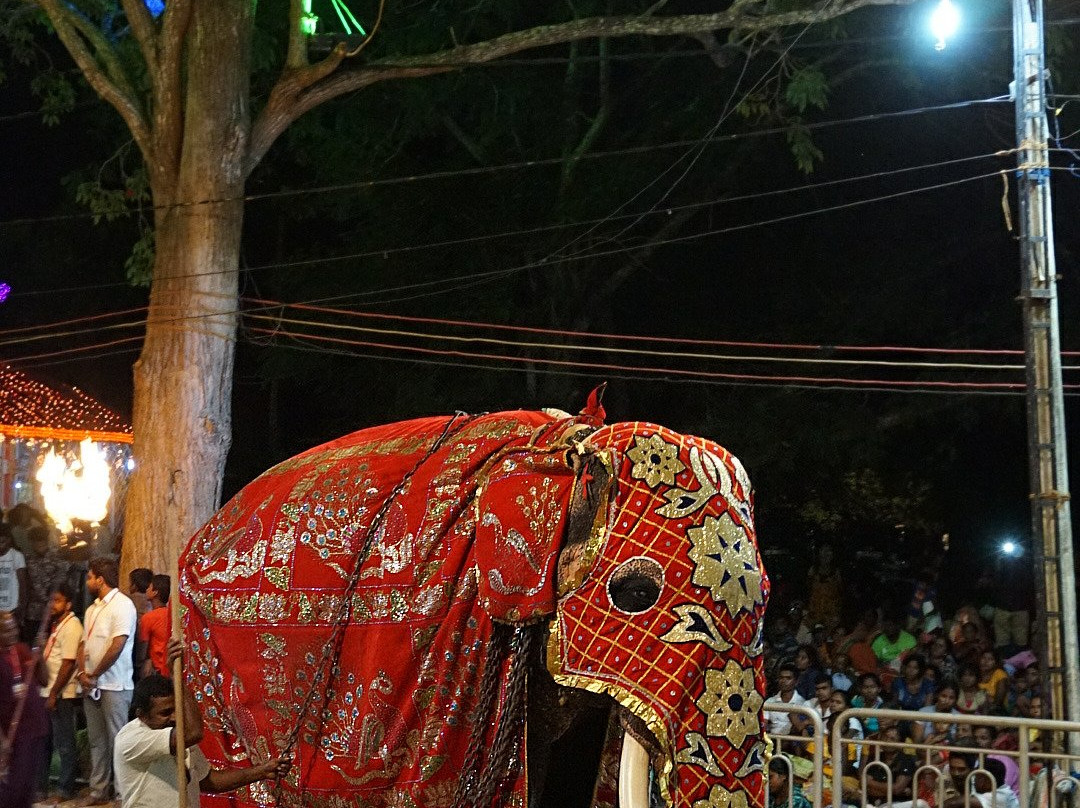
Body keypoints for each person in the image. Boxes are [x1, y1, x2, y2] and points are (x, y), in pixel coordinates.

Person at [114, 638, 291, 807]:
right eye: (165, 713)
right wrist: (178, 679)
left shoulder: (175, 733)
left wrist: (262, 771)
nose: (175, 717)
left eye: (176, 709)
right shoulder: (131, 739)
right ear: (142, 715)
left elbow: (208, 781)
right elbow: (194, 733)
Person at [78, 556, 138, 805]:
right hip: (92, 685)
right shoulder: (92, 608)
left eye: (90, 576)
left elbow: (117, 645)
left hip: (114, 685)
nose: (87, 581)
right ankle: (98, 790)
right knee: (97, 742)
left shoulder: (123, 605)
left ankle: (123, 794)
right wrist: (83, 673)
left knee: (118, 743)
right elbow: (83, 643)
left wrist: (94, 674)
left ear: (100, 579)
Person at [39, 583, 83, 803]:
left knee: (65, 744)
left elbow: (67, 663)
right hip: (48, 691)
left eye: (57, 601)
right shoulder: (56, 625)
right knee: (43, 742)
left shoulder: (72, 625)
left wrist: (54, 693)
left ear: (68, 604)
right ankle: (40, 788)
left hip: (61, 694)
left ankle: (65, 789)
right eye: (50, 601)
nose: (51, 605)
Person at [0, 609, 48, 808]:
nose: (13, 633)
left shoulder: (21, 649)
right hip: (13, 734)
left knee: (28, 786)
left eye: (13, 628)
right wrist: (2, 740)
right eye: (6, 630)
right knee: (14, 787)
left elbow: (44, 680)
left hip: (35, 728)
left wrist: (42, 656)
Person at [23, 525, 71, 641]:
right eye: (37, 544)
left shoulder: (56, 557)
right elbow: (27, 584)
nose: (40, 547)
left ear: (46, 541)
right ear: (32, 543)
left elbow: (61, 580)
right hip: (34, 612)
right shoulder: (28, 559)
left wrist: (50, 600)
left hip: (53, 610)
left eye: (42, 544)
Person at [138, 574, 171, 677]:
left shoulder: (148, 617)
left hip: (157, 670)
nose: (146, 589)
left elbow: (143, 646)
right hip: (171, 667)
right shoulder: (171, 614)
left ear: (155, 592)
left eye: (149, 587)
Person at [765, 663, 809, 738]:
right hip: (772, 741)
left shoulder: (803, 703)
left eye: (788, 678)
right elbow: (764, 724)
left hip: (792, 743)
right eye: (781, 678)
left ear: (796, 681)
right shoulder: (770, 702)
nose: (783, 681)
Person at [807, 544, 842, 630]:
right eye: (823, 551)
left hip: (831, 611)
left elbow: (840, 590)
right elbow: (808, 588)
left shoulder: (836, 572)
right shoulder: (813, 570)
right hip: (815, 610)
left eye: (828, 551)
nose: (825, 554)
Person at [0, 524, 28, 629]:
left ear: (8, 541)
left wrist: (22, 607)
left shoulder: (16, 556)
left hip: (12, 608)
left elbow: (23, 584)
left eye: (2, 542)